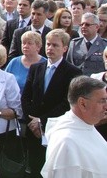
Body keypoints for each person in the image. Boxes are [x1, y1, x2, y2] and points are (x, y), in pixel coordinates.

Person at [21, 29, 82, 177]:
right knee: (34, 168)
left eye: (55, 45)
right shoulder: (36, 68)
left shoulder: (72, 72)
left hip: (56, 128)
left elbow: (67, 103)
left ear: (65, 48)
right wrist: (32, 120)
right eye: (48, 44)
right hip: (33, 129)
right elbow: (26, 96)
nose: (50, 48)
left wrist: (42, 121)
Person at [41, 76, 107, 177]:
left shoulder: (86, 125)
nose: (106, 106)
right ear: (82, 103)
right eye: (102, 101)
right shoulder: (66, 142)